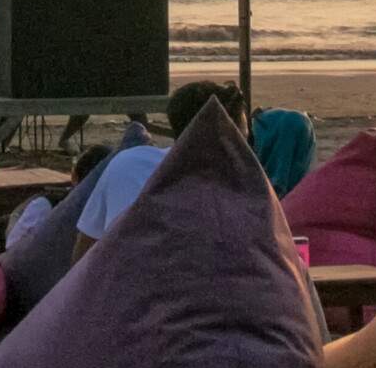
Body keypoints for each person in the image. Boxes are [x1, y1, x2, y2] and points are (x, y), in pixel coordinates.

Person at [72, 81, 246, 260]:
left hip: (122, 283)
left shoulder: (128, 163)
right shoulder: (241, 188)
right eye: (244, 140)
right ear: (229, 137)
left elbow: (84, 249)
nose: (247, 150)